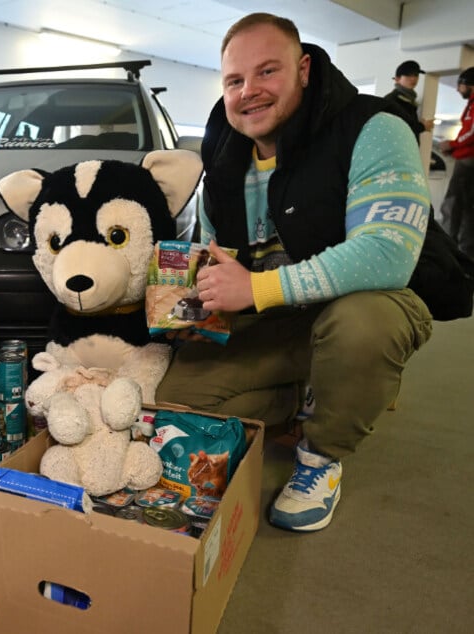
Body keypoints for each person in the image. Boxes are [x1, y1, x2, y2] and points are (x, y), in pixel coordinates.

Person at [154, 13, 433, 532]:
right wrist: (199, 304)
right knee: (177, 403)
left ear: (304, 69)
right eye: (234, 80)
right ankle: (316, 391)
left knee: (360, 328)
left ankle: (321, 455)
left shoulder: (374, 127)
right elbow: (215, 253)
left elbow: (388, 253)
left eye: (267, 72)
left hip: (368, 303)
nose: (249, 92)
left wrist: (256, 287)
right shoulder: (221, 154)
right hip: (276, 316)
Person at [438, 67, 474, 257]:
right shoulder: (471, 105)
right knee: (467, 208)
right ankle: (465, 252)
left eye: (459, 85)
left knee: (453, 205)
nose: (458, 90)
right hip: (466, 158)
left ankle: (446, 251)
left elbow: (471, 133)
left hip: (468, 162)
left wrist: (452, 144)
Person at [382, 60, 434, 142]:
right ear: (397, 79)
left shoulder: (409, 100)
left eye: (416, 75)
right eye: (408, 75)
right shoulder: (392, 99)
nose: (413, 78)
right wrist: (422, 126)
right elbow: (398, 126)